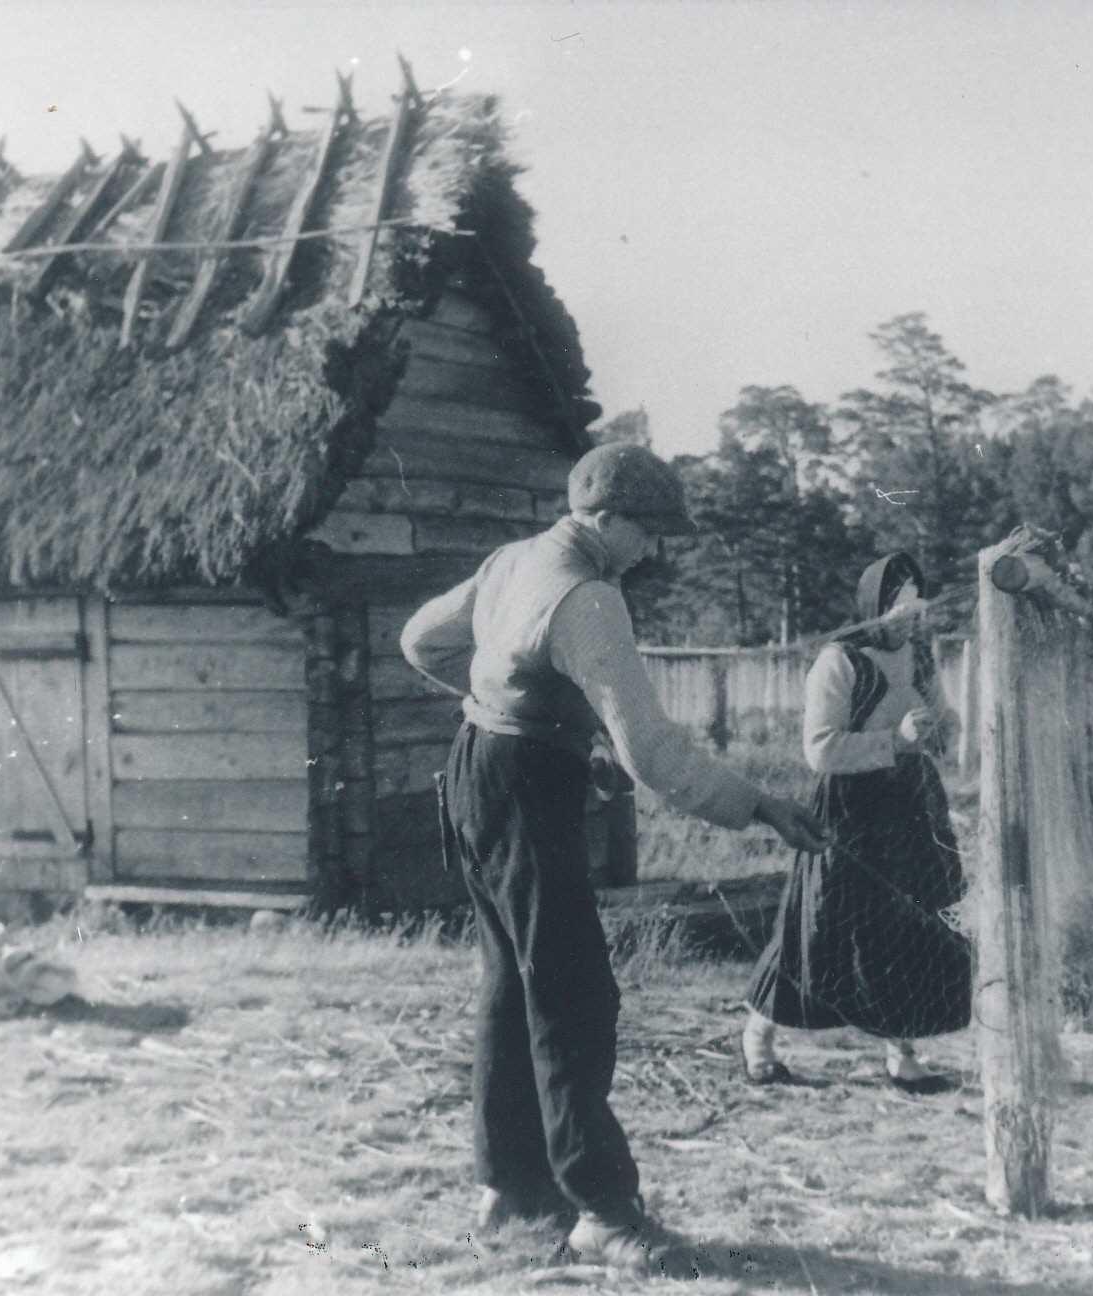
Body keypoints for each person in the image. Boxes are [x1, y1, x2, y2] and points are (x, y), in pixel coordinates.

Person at [399, 443, 829, 1274]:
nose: (654, 550)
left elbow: (422, 642)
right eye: (647, 531)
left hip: (474, 774)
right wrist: (759, 806)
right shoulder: (588, 599)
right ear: (602, 519)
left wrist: (511, 701)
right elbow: (655, 753)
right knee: (572, 994)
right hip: (522, 789)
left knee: (510, 982)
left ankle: (510, 1186)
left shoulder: (513, 561)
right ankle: (601, 1209)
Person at [741, 552, 973, 1095]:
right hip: (851, 809)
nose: (910, 620)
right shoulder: (840, 661)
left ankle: (903, 1055)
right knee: (817, 926)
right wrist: (897, 741)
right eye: (900, 608)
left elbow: (942, 716)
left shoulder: (918, 656)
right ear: (875, 608)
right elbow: (820, 750)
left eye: (917, 608)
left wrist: (945, 727)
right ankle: (759, 1041)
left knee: (912, 924)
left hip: (911, 806)